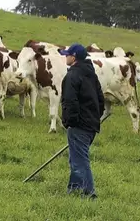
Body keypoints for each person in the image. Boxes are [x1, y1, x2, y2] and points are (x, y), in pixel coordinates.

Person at [58, 43, 105, 199]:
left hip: (79, 125)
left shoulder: (72, 76)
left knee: (80, 160)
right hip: (91, 124)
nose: (66, 57)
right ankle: (74, 188)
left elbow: (69, 102)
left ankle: (89, 193)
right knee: (75, 157)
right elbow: (101, 100)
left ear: (74, 57)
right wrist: (95, 117)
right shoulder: (91, 74)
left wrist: (69, 122)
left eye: (67, 54)